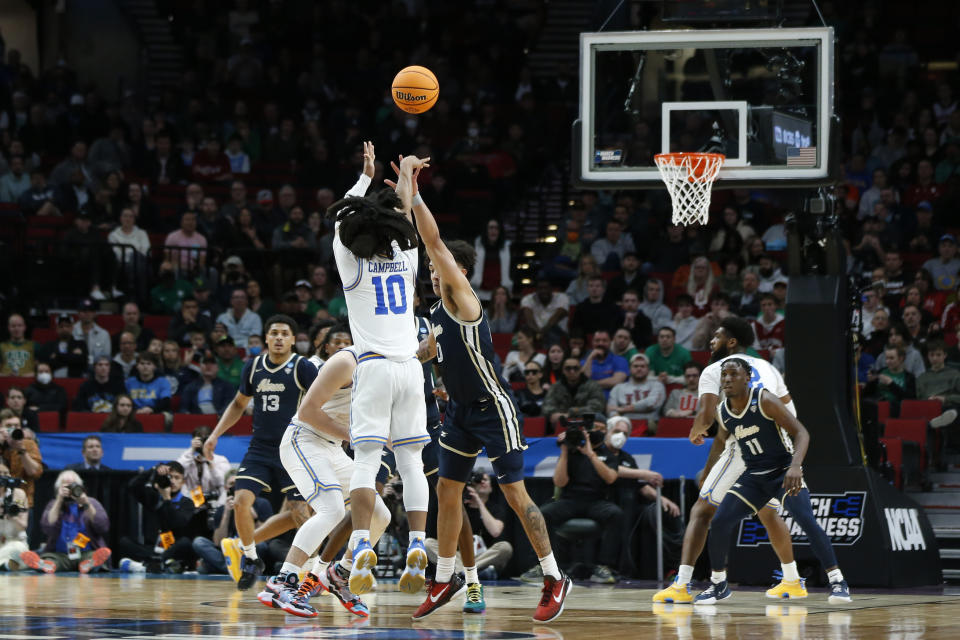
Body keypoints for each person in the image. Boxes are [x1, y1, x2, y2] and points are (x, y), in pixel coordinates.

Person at [406, 156, 571, 622]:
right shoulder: (436, 316)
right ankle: (445, 578)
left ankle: (554, 577)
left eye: (443, 267)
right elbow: (422, 356)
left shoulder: (464, 299)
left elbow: (433, 241)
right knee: (448, 493)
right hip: (458, 412)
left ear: (458, 270)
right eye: (434, 270)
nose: (435, 272)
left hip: (492, 407)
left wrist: (415, 192)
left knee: (516, 496)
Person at [654, 317, 848, 604]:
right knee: (766, 514)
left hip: (752, 450)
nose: (711, 342)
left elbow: (707, 420)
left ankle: (682, 584)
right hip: (762, 444)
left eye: (716, 336)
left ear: (731, 343)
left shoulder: (714, 370)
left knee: (701, 510)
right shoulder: (768, 367)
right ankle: (791, 579)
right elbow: (789, 408)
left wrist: (696, 430)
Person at [319, 145, 432, 603]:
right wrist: (406, 176)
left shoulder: (352, 263)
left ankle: (362, 542)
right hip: (411, 369)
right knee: (411, 464)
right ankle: (419, 545)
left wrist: (363, 179)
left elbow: (338, 223)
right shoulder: (406, 257)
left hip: (375, 368)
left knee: (367, 460)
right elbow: (406, 218)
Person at [693, 359, 851, 605]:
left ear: (748, 377)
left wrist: (795, 466)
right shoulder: (723, 411)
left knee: (806, 519)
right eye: (724, 375)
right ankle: (718, 584)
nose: (726, 379)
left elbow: (801, 432)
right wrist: (708, 471)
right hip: (754, 476)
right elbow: (720, 443)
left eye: (733, 374)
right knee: (721, 521)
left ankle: (838, 581)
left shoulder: (764, 399)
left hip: (782, 472)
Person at [203, 314, 318, 590]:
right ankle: (252, 558)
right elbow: (238, 404)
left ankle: (313, 573)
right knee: (241, 499)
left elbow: (323, 403)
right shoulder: (253, 367)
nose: (279, 337)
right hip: (261, 448)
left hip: (294, 448)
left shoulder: (302, 367)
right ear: (266, 338)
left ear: (293, 340)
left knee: (300, 515)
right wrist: (214, 434)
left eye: (284, 333)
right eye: (274, 332)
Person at [528, 417, 622, 584]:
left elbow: (610, 478)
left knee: (615, 514)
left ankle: (604, 566)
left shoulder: (606, 453)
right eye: (595, 428)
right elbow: (559, 482)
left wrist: (590, 454)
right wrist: (564, 451)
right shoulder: (570, 453)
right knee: (542, 514)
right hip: (570, 500)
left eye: (601, 429)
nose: (597, 432)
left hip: (596, 501)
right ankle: (547, 566)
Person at [19, 470, 111, 574]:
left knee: (93, 556)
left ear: (80, 487)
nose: (70, 490)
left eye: (73, 485)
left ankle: (90, 563)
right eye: (65, 486)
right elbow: (47, 527)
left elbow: (103, 526)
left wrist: (86, 504)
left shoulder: (91, 502)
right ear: (59, 489)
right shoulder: (53, 504)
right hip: (60, 554)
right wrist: (59, 500)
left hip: (86, 552)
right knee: (52, 559)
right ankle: (46, 564)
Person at [116, 462, 200, 573]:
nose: (173, 481)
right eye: (170, 477)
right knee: (124, 542)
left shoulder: (187, 502)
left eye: (177, 478)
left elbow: (178, 523)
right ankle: (160, 564)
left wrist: (167, 499)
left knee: (186, 543)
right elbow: (132, 486)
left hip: (174, 548)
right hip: (153, 549)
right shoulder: (153, 497)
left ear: (183, 482)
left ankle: (145, 566)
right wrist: (154, 469)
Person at [191, 472, 273, 576]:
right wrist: (226, 513)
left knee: (261, 545)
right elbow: (217, 542)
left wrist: (254, 517)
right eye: (231, 484)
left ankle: (225, 568)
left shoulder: (261, 503)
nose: (235, 487)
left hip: (249, 549)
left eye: (238, 483)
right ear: (226, 487)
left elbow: (267, 538)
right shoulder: (222, 509)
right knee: (199, 542)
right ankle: (236, 570)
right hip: (229, 552)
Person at [543, 356, 607, 432]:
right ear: (563, 370)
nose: (572, 371)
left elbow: (597, 406)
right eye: (568, 368)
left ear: (580, 370)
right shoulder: (555, 387)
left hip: (587, 427)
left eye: (575, 368)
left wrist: (570, 413)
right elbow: (547, 406)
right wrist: (556, 414)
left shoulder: (593, 386)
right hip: (561, 425)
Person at [607, 354, 666, 430]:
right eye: (635, 366)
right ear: (629, 369)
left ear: (648, 369)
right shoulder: (618, 388)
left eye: (642, 366)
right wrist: (618, 422)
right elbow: (611, 409)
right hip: (624, 426)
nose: (639, 369)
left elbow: (651, 404)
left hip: (650, 427)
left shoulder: (657, 385)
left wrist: (622, 409)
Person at [0, 409, 42, 508]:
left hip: (22, 502)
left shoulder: (28, 444)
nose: (13, 429)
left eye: (16, 426)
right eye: (9, 426)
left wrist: (21, 450)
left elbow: (35, 473)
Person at [178, 426, 231, 496]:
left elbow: (221, 482)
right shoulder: (188, 459)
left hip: (214, 501)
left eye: (206, 439)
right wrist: (191, 450)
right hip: (190, 501)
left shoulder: (221, 460)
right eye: (200, 440)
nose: (203, 443)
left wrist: (209, 460)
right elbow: (178, 471)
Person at [581, 329, 629, 398]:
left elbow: (617, 381)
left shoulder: (620, 360)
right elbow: (582, 381)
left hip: (612, 402)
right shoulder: (585, 362)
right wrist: (590, 358)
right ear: (592, 343)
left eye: (604, 341)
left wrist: (590, 385)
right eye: (597, 341)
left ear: (610, 342)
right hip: (589, 400)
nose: (600, 343)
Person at [521, 278, 570, 345]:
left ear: (551, 289)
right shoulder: (528, 299)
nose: (543, 291)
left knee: (552, 331)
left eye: (546, 288)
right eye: (540, 288)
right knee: (524, 331)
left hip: (556, 331)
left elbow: (555, 318)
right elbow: (529, 320)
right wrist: (538, 333)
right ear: (536, 290)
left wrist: (541, 333)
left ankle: (552, 353)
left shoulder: (562, 297)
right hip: (535, 330)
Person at [0, 460, 29, 571]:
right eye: (0, 474)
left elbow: (23, 526)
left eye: (6, 473)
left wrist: (12, 515)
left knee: (18, 548)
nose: (3, 477)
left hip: (14, 541)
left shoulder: (19, 494)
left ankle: (6, 564)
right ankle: (6, 565)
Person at [39, 313, 88, 378]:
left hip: (74, 380)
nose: (64, 329)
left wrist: (57, 356)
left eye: (67, 326)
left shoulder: (80, 344)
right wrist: (72, 356)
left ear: (72, 327)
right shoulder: (49, 345)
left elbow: (82, 363)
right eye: (61, 326)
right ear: (56, 328)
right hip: (53, 381)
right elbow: (46, 364)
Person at [72, 298, 111, 363]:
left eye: (90, 311)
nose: (87, 313)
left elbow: (106, 358)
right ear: (78, 313)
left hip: (97, 369)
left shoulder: (104, 334)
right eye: (84, 311)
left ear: (95, 313)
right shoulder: (71, 332)